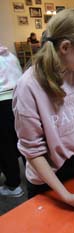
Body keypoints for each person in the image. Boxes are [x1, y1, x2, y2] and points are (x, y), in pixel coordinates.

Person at [12, 9, 74, 212]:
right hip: (47, 180)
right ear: (65, 47)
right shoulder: (29, 86)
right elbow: (33, 151)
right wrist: (65, 196)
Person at [0, 43, 24, 197]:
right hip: (19, 99)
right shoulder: (10, 55)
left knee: (4, 147)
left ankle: (13, 185)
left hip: (2, 102)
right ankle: (34, 177)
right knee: (23, 141)